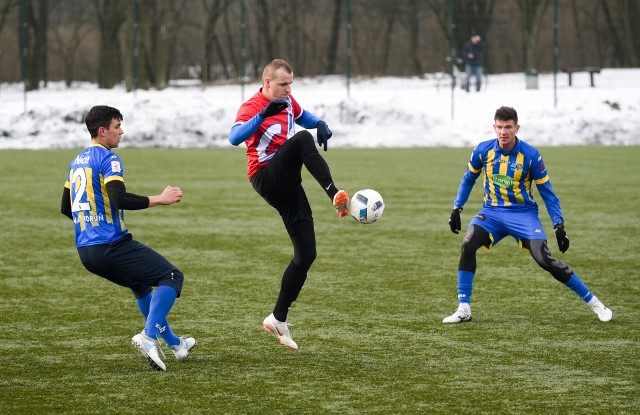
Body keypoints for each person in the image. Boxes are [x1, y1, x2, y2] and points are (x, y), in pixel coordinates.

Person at [444, 106, 612, 323]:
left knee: (544, 259)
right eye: (499, 127)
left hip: (523, 215)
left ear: (517, 128)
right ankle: (464, 308)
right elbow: (468, 179)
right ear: (494, 127)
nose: (503, 132)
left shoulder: (531, 155)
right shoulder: (483, 150)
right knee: (468, 244)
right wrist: (457, 207)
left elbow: (547, 193)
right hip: (491, 213)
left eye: (508, 127)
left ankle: (596, 304)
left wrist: (558, 225)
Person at [61, 105, 195, 371]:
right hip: (111, 245)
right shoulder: (108, 159)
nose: (121, 132)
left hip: (87, 252)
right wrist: (160, 199)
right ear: (102, 131)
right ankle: (148, 337)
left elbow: (67, 208)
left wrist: (91, 225)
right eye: (117, 126)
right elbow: (119, 198)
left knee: (141, 286)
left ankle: (176, 344)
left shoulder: (76, 161)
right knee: (171, 277)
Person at [229, 59, 349, 350]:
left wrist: (320, 123)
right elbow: (234, 137)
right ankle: (333, 193)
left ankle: (278, 318)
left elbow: (303, 115)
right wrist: (262, 116)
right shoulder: (252, 106)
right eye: (283, 85)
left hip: (288, 182)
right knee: (302, 140)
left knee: (306, 254)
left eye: (290, 85)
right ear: (267, 82)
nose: (288, 90)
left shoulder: (287, 100)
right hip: (266, 176)